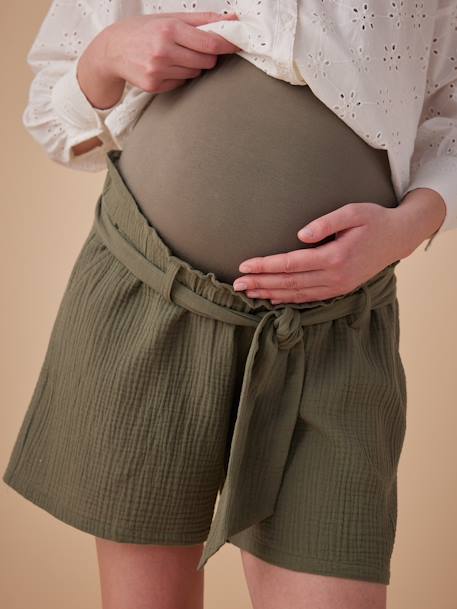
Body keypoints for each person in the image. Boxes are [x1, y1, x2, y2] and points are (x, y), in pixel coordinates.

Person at [3, 3, 456, 609]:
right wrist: (108, 53)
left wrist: (407, 227)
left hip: (331, 330)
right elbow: (54, 117)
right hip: (149, 297)